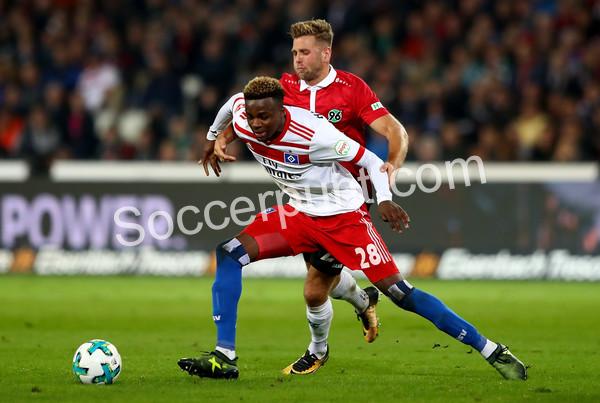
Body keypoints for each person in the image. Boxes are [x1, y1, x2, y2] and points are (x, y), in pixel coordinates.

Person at [179, 77, 527, 381]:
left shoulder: (316, 135)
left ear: (283, 110)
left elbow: (372, 162)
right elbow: (231, 105)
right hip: (298, 213)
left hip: (343, 217)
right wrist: (212, 137)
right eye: (252, 116)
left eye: (264, 116)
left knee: (399, 293)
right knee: (230, 253)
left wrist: (385, 199)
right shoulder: (244, 113)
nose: (256, 124)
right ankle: (225, 358)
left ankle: (491, 349)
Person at [202, 19, 409, 367]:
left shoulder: (351, 89)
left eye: (305, 52)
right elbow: (252, 114)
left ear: (326, 54)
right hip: (304, 200)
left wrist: (391, 167)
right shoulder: (284, 88)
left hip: (345, 200)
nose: (297, 59)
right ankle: (363, 301)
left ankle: (318, 351)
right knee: (324, 279)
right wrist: (221, 136)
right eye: (294, 52)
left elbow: (394, 130)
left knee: (314, 290)